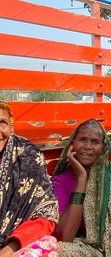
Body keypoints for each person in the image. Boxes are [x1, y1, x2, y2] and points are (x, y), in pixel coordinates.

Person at [51, 119, 111, 256]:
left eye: (95, 142)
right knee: (58, 250)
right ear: (72, 143)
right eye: (82, 140)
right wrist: (81, 178)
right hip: (85, 249)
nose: (88, 146)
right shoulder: (61, 181)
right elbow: (66, 237)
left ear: (104, 147)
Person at [0, 101, 59, 256]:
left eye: (2, 123)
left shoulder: (28, 157)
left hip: (11, 245)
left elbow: (45, 214)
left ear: (12, 126)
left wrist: (8, 250)